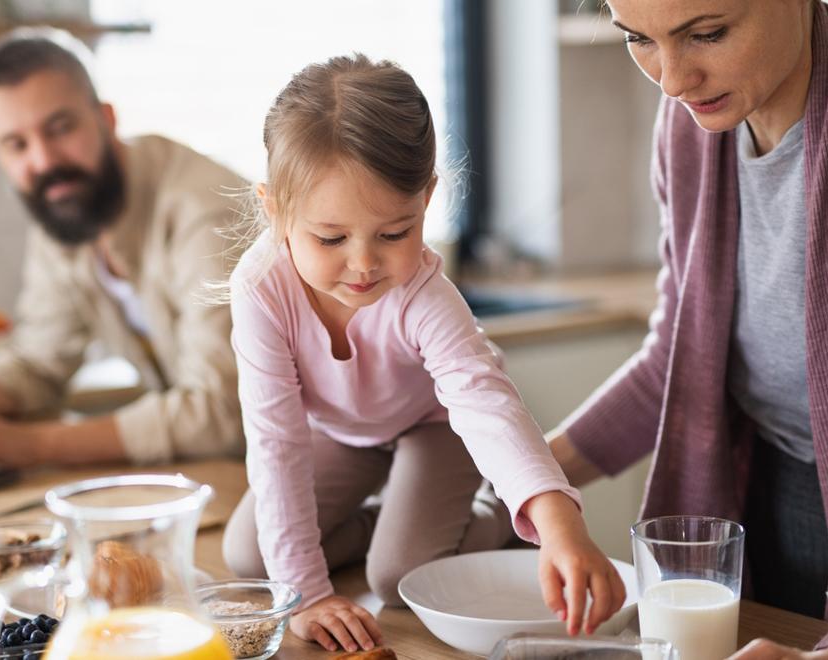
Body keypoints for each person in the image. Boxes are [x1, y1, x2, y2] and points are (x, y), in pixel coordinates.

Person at [546, 1, 828, 658]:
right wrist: (524, 482)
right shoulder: (690, 129)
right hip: (757, 488)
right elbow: (678, 362)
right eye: (638, 40)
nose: (672, 81)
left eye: (706, 34)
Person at [220, 54, 625, 654]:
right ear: (275, 211)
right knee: (250, 554)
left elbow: (484, 406)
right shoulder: (259, 288)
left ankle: (492, 511)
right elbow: (276, 441)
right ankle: (389, 518)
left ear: (428, 198)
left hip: (437, 430)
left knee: (396, 576)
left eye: (394, 233)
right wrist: (305, 594)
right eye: (330, 238)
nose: (363, 264)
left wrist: (559, 526)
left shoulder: (424, 295)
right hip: (342, 433)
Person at [0, 29, 246, 474]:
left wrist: (36, 445)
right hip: (208, 471)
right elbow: (39, 363)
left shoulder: (205, 212)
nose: (43, 161)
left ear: (107, 118)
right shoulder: (68, 208)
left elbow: (222, 411)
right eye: (17, 144)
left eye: (60, 128)